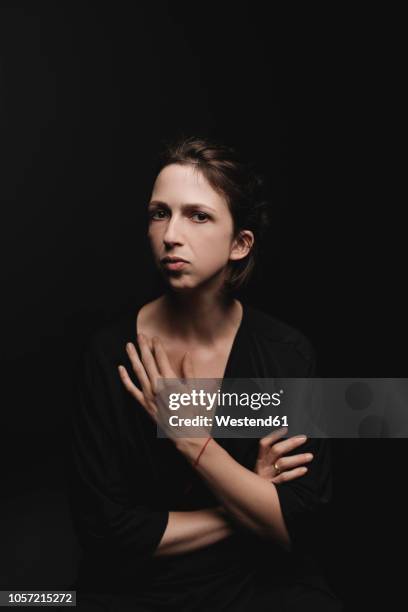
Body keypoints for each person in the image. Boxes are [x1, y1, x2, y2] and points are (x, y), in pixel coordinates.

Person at [67, 136, 343, 611]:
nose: (171, 233)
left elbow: (298, 522)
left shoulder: (286, 354)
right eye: (159, 213)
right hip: (139, 588)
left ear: (240, 243)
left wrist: (191, 439)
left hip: (261, 583)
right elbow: (105, 530)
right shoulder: (109, 353)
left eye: (198, 215)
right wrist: (246, 500)